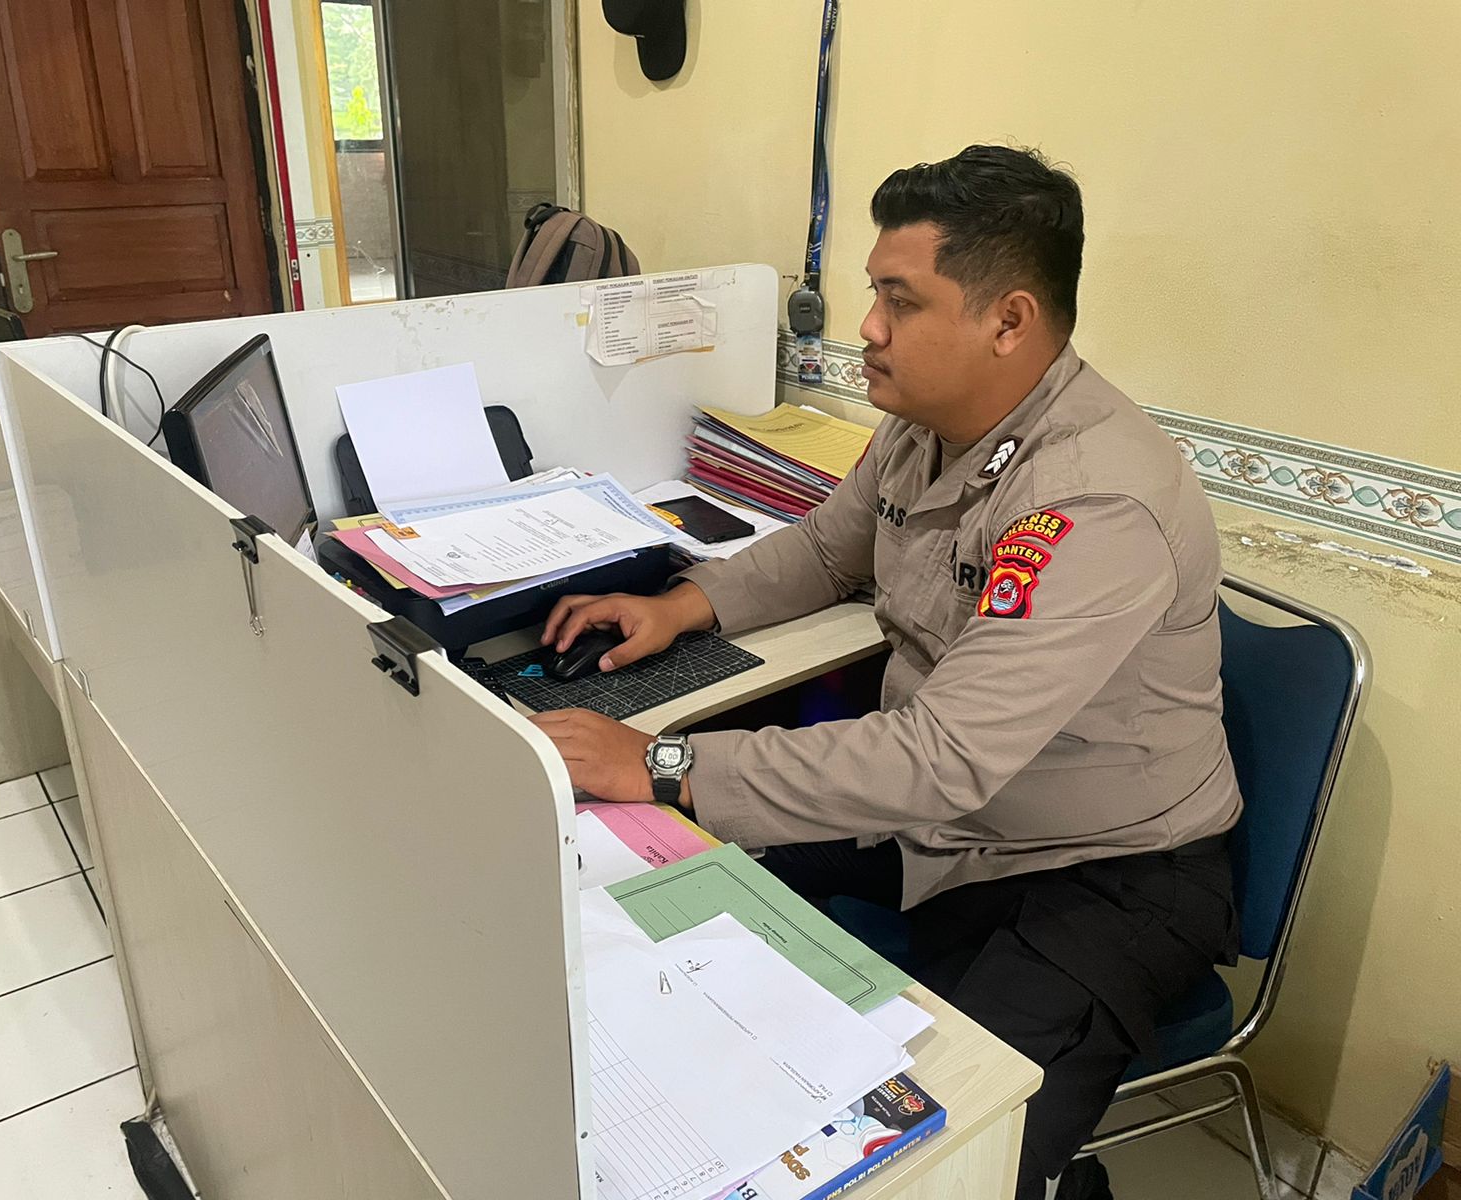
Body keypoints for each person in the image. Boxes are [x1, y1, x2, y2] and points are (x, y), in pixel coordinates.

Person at [530, 145, 1240, 1200]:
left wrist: (666, 760)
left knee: (941, 1156)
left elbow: (938, 760)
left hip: (1099, 872)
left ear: (1008, 322)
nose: (867, 327)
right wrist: (681, 604)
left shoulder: (1093, 501)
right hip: (941, 823)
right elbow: (829, 548)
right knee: (654, 897)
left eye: (900, 302)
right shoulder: (926, 428)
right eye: (874, 294)